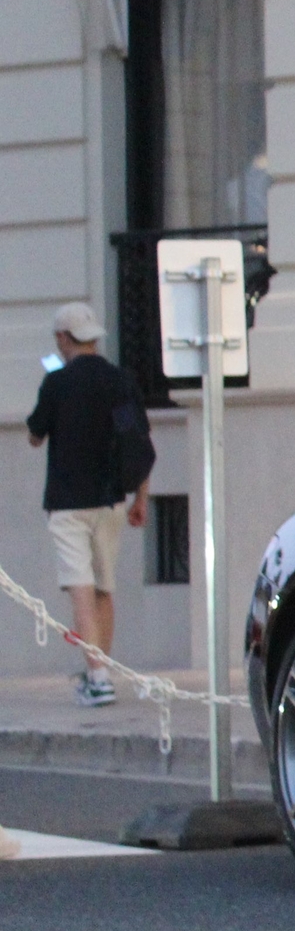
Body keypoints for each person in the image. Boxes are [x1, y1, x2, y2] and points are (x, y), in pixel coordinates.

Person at [27, 302, 153, 707]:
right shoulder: (120, 381)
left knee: (79, 588)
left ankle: (97, 678)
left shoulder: (57, 382)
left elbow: (34, 434)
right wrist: (141, 499)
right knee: (103, 588)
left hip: (68, 502)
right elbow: (140, 443)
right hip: (112, 499)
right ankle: (101, 673)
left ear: (64, 338)